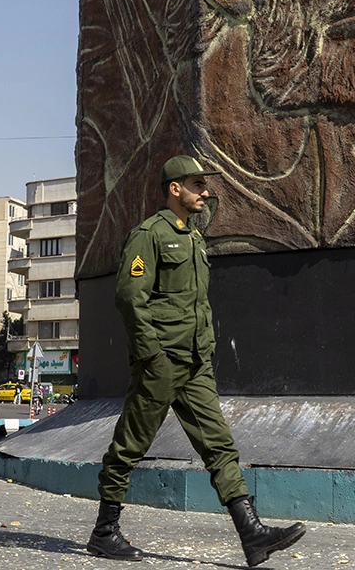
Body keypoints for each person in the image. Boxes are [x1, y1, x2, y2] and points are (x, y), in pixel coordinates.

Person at [88, 156, 305, 566]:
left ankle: (252, 534)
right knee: (130, 445)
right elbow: (130, 297)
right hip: (162, 360)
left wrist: (203, 347)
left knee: (219, 445)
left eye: (204, 185)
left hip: (195, 360)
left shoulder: (193, 238)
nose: (205, 191)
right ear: (175, 189)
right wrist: (151, 353)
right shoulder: (149, 236)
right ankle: (104, 532)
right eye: (197, 184)